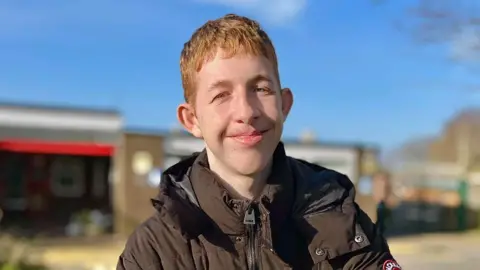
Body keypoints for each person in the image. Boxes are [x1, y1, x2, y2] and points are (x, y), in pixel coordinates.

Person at [117, 13, 400, 270]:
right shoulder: (153, 251)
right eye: (221, 95)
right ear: (192, 120)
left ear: (284, 104)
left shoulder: (343, 222)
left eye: (261, 88)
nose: (246, 112)